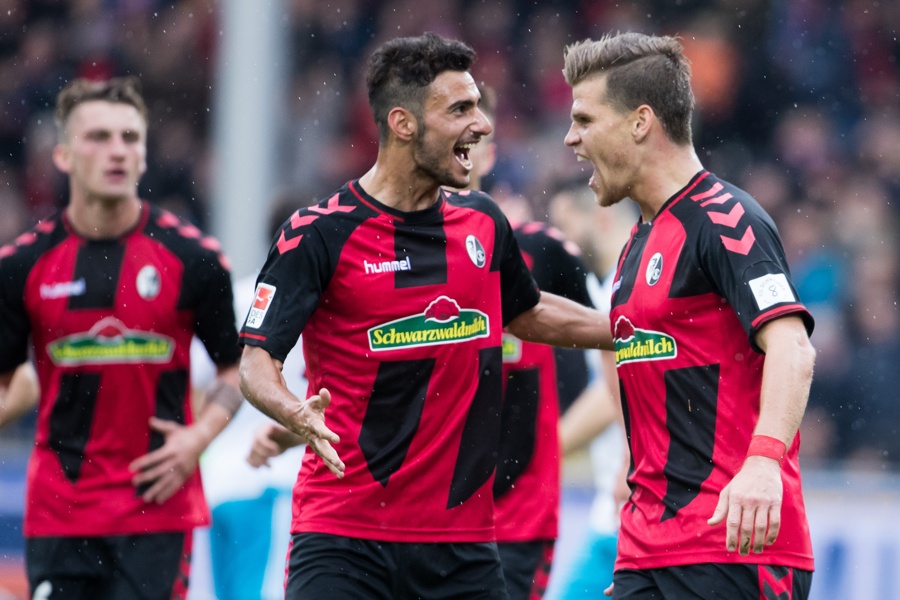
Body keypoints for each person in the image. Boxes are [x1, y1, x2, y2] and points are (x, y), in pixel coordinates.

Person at [238, 32, 611, 599]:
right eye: (460, 109)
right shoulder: (318, 233)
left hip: (460, 548)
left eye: (479, 108)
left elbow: (530, 313)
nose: (482, 125)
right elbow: (255, 361)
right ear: (403, 123)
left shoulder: (484, 223)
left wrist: (635, 329)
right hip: (344, 536)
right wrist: (295, 413)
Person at [562, 32, 817, 599]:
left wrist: (763, 462)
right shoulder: (638, 243)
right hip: (647, 552)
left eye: (584, 119)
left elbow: (793, 348)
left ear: (640, 122)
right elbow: (627, 341)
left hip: (733, 545)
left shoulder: (727, 220)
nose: (570, 137)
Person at [0, 76, 243, 600]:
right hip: (60, 514)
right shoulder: (21, 265)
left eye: (130, 138)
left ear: (145, 155)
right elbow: (7, 386)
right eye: (99, 137)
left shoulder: (194, 258)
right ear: (63, 155)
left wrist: (199, 438)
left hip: (157, 511)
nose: (118, 150)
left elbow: (235, 368)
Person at [460, 84, 596, 600]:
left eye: (474, 134)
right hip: (421, 513)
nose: (461, 144)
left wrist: (629, 454)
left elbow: (619, 341)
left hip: (517, 515)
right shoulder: (397, 250)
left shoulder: (541, 249)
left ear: (490, 150)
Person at [190, 196, 310, 600]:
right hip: (275, 484)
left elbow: (196, 388)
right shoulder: (324, 304)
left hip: (217, 482)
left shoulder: (239, 298)